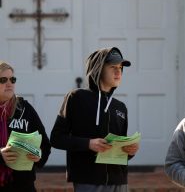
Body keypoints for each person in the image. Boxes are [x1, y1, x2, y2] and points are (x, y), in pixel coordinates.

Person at [50, 47, 139, 192]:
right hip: (88, 181)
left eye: (120, 68)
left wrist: (129, 151)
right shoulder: (76, 98)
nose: (118, 72)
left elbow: (120, 152)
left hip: (120, 182)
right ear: (98, 69)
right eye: (113, 67)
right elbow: (56, 138)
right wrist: (88, 144)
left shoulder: (121, 107)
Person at [0, 61, 51, 192]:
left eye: (13, 79)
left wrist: (39, 154)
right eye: (3, 79)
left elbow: (44, 143)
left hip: (23, 185)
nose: (9, 83)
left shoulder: (24, 108)